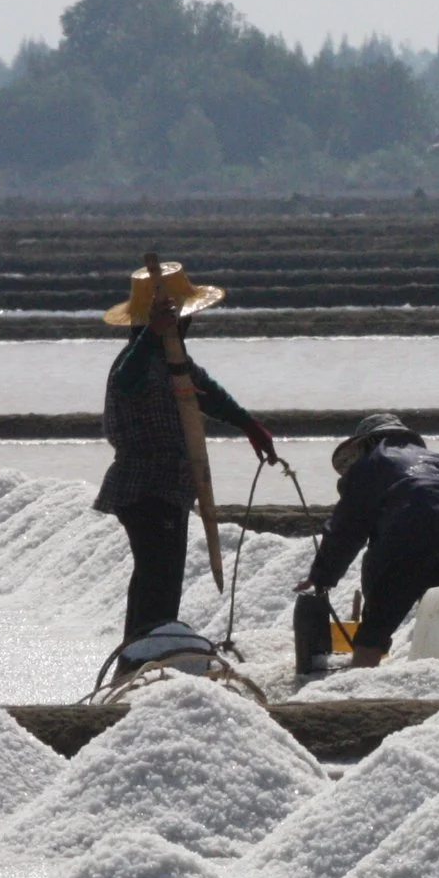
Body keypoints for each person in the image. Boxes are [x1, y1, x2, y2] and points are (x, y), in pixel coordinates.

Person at [93, 259, 279, 669]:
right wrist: (153, 336)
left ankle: (139, 657)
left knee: (157, 579)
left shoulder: (172, 358)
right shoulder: (138, 359)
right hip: (145, 487)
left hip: (167, 488)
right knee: (157, 581)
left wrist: (249, 425)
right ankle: (141, 662)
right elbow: (127, 379)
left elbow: (205, 392)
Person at [297, 413, 439, 669]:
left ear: (364, 444)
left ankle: (361, 684)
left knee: (375, 628)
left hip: (408, 541)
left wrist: (322, 576)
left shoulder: (370, 464)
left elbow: (346, 528)